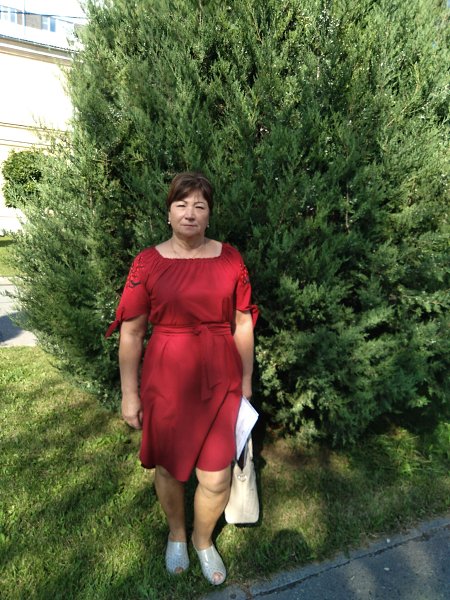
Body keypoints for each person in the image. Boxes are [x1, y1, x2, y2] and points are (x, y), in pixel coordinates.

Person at [106, 172, 258, 586]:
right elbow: (132, 332)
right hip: (167, 378)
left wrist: (245, 381)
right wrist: (129, 394)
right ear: (169, 213)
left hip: (221, 378)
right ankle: (176, 533)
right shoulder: (148, 262)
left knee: (217, 476)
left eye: (199, 206)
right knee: (170, 469)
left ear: (209, 215)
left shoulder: (230, 259)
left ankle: (202, 539)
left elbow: (243, 323)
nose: (190, 213)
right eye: (181, 204)